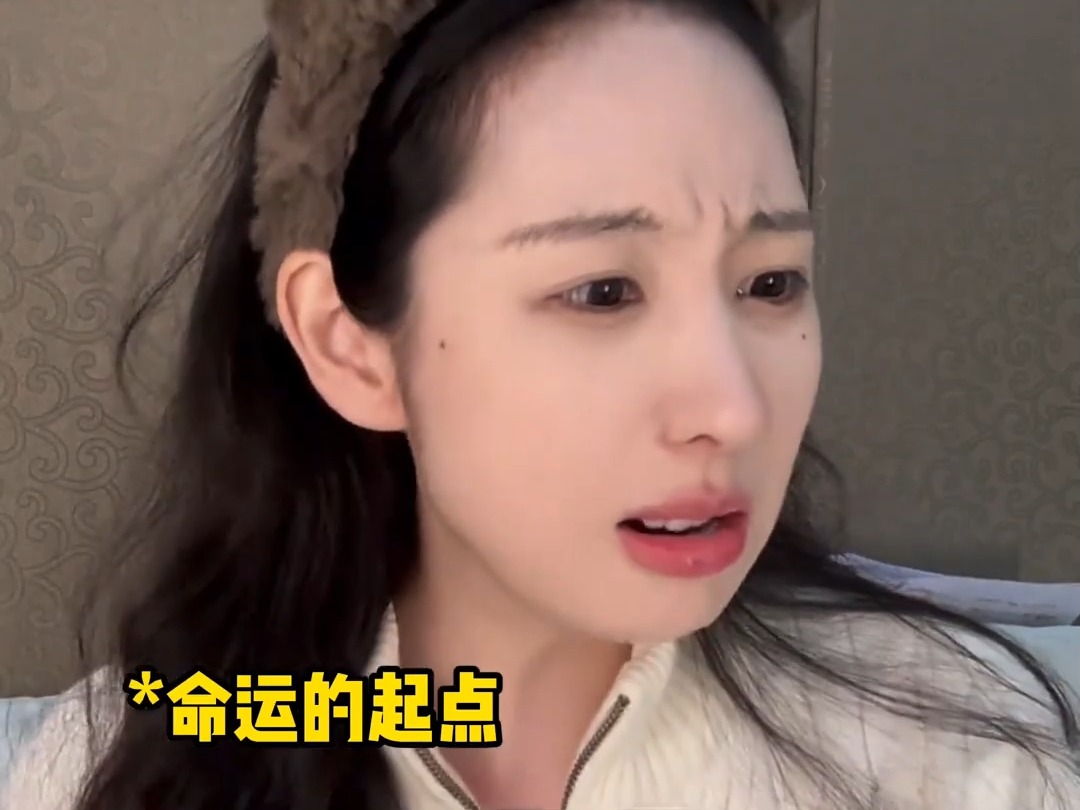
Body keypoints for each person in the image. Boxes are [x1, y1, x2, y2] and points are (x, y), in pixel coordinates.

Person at [3, 0, 1078, 808]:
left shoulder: (957, 754)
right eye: (602, 291)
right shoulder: (141, 755)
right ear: (350, 346)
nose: (735, 409)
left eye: (769, 283)